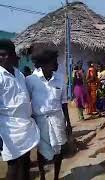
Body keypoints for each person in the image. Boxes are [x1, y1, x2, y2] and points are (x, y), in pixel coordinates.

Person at [26, 50, 72, 180]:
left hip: (57, 119)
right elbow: (26, 101)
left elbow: (63, 103)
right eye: (54, 62)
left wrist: (68, 123)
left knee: (59, 149)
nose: (57, 64)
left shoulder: (60, 78)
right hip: (40, 121)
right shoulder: (31, 80)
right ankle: (42, 176)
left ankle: (56, 177)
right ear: (44, 65)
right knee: (42, 151)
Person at [0, 39, 40, 180]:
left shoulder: (19, 74)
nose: (3, 58)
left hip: (25, 127)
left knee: (25, 162)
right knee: (13, 166)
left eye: (6, 54)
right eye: (0, 55)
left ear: (12, 55)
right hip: (8, 130)